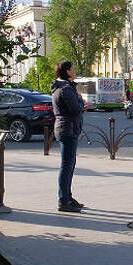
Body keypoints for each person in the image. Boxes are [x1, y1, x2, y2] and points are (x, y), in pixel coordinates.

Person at [51, 61, 90, 213]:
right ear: (67, 71)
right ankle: (63, 201)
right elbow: (74, 109)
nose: (74, 70)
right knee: (67, 166)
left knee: (69, 165)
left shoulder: (62, 87)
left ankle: (67, 197)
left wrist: (80, 102)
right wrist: (83, 105)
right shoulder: (66, 89)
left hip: (66, 128)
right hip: (67, 129)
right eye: (73, 68)